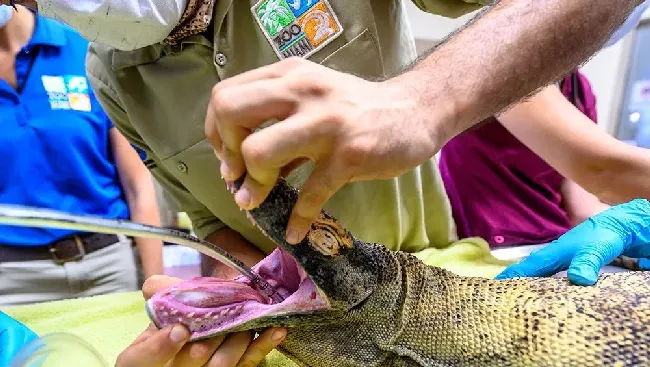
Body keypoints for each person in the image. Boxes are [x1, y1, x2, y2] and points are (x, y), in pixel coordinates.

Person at [1, 0, 648, 366]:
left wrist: (423, 99)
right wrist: (245, 296)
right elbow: (216, 224)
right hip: (309, 331)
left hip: (434, 283)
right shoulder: (109, 74)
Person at [0, 5, 164, 306]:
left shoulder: (82, 48)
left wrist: (158, 291)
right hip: (12, 281)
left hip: (109, 266)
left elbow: (139, 186)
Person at [439, 70, 610, 248]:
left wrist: (624, 224)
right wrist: (640, 217)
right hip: (489, 242)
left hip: (554, 239)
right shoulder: (506, 71)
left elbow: (582, 207)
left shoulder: (578, 87)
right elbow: (604, 168)